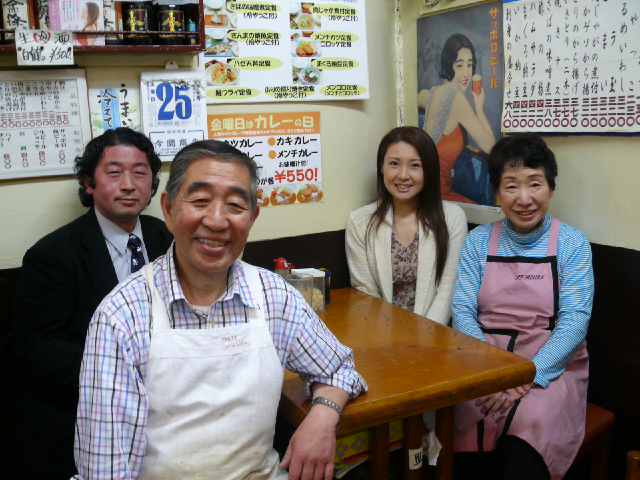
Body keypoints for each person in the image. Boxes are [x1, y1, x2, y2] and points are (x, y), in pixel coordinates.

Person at [73, 140, 367, 479]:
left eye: (235, 205)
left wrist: (322, 417)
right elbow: (103, 470)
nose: (216, 220)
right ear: (168, 209)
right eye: (199, 201)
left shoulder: (272, 295)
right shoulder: (121, 315)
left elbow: (339, 369)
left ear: (253, 216)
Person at [14, 127, 172, 479]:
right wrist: (122, 373)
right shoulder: (52, 255)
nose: (129, 184)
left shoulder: (165, 236)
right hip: (90, 409)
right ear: (89, 184)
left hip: (169, 402)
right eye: (114, 173)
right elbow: (37, 349)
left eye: (140, 172)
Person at [451, 134, 594, 480]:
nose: (524, 198)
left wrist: (525, 377)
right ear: (497, 193)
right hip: (485, 360)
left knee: (530, 427)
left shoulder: (572, 244)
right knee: (467, 414)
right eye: (511, 186)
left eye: (535, 183)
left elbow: (575, 322)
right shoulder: (477, 242)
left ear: (551, 188)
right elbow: (462, 311)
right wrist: (493, 377)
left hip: (549, 364)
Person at [346, 126, 467, 326]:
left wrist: (423, 339)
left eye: (415, 165)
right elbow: (365, 295)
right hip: (381, 335)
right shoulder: (359, 222)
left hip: (435, 334)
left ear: (428, 170)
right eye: (394, 164)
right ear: (381, 168)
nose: (403, 175)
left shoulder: (452, 218)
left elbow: (447, 291)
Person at [418, 33, 496, 204]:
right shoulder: (455, 97)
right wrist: (479, 108)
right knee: (485, 216)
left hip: (427, 191)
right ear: (449, 65)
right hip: (438, 195)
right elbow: (492, 148)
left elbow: (421, 99)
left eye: (470, 65)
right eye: (459, 65)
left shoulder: (433, 92)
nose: (466, 73)